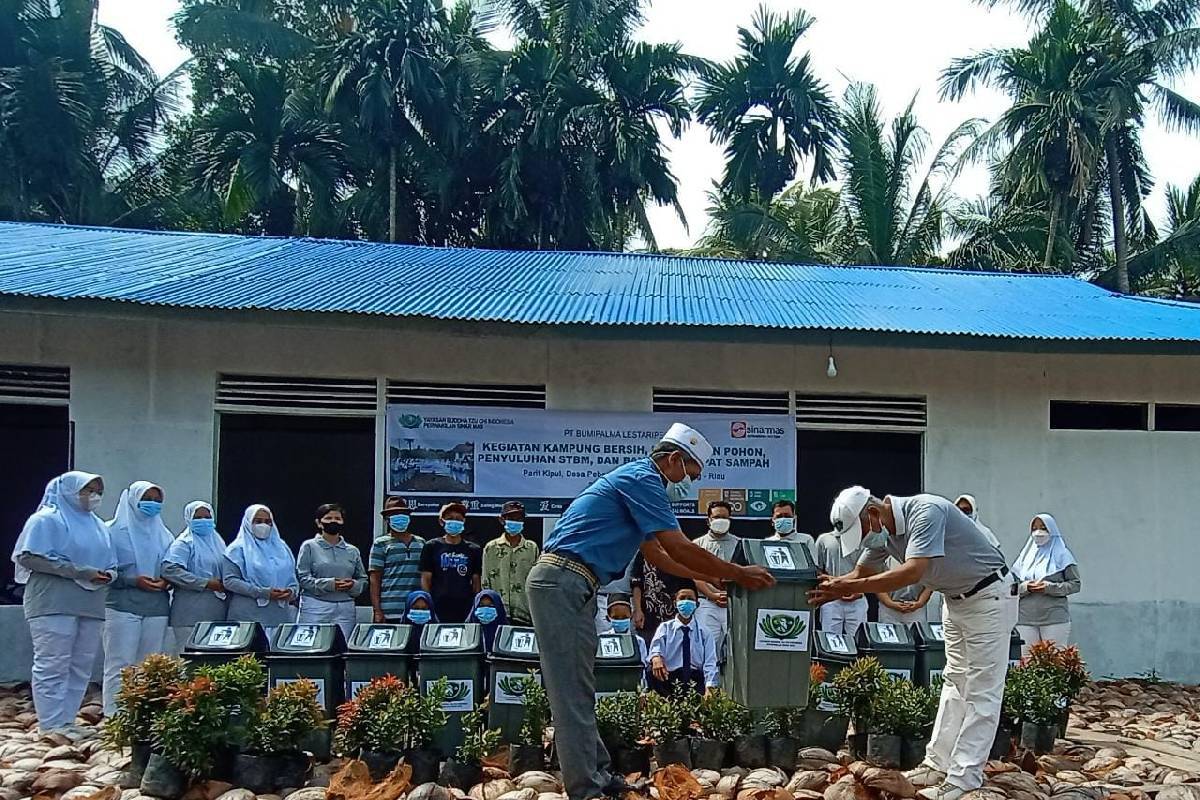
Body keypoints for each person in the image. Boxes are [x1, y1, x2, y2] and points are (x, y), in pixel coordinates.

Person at [526, 423, 773, 800]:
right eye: (690, 474)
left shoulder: (637, 484)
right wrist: (737, 572)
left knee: (581, 686)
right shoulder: (643, 479)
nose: (688, 483)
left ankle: (598, 774)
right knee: (570, 692)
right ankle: (586, 789)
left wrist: (712, 579)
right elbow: (677, 545)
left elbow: (659, 556)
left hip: (574, 583)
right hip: (563, 582)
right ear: (673, 460)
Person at [809, 487, 1015, 800]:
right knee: (955, 681)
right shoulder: (881, 531)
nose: (865, 538)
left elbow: (912, 571)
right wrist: (836, 588)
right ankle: (937, 763)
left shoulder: (926, 511)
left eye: (863, 531)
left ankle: (964, 777)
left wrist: (850, 585)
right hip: (955, 600)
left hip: (989, 597)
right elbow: (864, 570)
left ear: (874, 514)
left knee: (982, 689)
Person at [11, 472, 116, 732]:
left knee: (81, 665)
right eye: (86, 490)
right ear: (68, 491)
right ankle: (50, 723)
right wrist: (78, 571)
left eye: (96, 491)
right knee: (52, 662)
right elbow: (29, 556)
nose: (93, 496)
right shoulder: (46, 520)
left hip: (89, 602)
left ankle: (67, 719)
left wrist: (109, 574)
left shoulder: (98, 526)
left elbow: (110, 560)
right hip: (54, 601)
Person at [102, 481, 174, 716]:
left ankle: (142, 716)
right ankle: (115, 715)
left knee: (149, 665)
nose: (152, 504)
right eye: (147, 498)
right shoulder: (112, 531)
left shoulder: (164, 535)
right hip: (123, 606)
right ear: (133, 499)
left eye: (157, 500)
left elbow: (172, 567)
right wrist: (134, 580)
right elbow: (105, 570)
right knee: (120, 663)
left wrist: (167, 580)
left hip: (156, 607)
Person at [222, 504, 299, 638]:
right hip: (248, 617)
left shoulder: (282, 548)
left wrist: (291, 591)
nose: (263, 525)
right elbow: (230, 580)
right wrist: (262, 592)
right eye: (258, 521)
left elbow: (292, 577)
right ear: (248, 522)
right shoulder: (237, 549)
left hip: (279, 617)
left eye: (268, 522)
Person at [162, 501, 228, 652]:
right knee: (188, 660)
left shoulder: (218, 542)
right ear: (189, 519)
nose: (203, 521)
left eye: (207, 516)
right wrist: (205, 583)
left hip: (216, 611)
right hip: (189, 613)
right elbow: (169, 569)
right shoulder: (184, 543)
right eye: (198, 517)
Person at [1012, 514, 1080, 655]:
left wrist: (1049, 588)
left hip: (1054, 618)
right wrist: (1026, 587)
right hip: (1026, 619)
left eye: (1043, 528)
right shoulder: (1024, 557)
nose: (1038, 532)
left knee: (1054, 660)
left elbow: (1075, 584)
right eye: (1035, 528)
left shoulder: (1063, 555)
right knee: (1027, 661)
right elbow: (1011, 587)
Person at [297, 503, 367, 638]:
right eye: (328, 518)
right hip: (315, 606)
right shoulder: (309, 546)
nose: (333, 521)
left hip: (345, 607)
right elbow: (303, 578)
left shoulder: (352, 550)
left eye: (337, 518)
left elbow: (363, 579)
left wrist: (353, 585)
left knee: (343, 647)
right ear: (319, 523)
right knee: (311, 646)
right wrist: (330, 584)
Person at [647, 587, 719, 697]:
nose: (686, 601)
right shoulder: (665, 628)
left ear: (697, 604)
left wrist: (709, 687)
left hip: (695, 680)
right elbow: (656, 649)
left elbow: (710, 662)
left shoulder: (705, 632)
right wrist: (656, 658)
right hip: (668, 679)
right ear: (675, 603)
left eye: (690, 599)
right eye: (682, 598)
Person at [419, 502, 482, 623]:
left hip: (465, 606)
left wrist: (475, 605)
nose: (455, 522)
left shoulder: (473, 549)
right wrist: (428, 603)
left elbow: (476, 581)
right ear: (441, 522)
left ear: (464, 522)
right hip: (438, 605)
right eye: (450, 518)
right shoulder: (431, 546)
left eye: (458, 519)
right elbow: (426, 578)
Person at [691, 500, 738, 662]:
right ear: (708, 520)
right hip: (706, 604)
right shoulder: (697, 545)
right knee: (705, 648)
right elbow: (695, 574)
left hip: (734, 604)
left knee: (735, 648)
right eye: (717, 517)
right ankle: (708, 685)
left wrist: (728, 595)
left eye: (725, 517)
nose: (721, 521)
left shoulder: (740, 544)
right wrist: (712, 595)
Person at [369, 496, 426, 623]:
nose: (400, 517)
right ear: (387, 519)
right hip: (390, 610)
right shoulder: (380, 543)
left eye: (403, 514)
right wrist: (377, 610)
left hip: (416, 609)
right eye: (395, 514)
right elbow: (375, 579)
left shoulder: (421, 542)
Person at [482, 501, 539, 625]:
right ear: (502, 520)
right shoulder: (491, 547)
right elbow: (485, 581)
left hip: (525, 613)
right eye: (511, 518)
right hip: (497, 613)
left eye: (519, 519)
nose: (515, 522)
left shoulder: (531, 548)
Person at [814, 524, 867, 637]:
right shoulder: (824, 539)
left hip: (857, 599)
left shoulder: (863, 540)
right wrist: (829, 587)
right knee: (830, 640)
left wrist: (860, 591)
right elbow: (817, 570)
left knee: (858, 641)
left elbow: (869, 569)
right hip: (831, 601)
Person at [630, 547, 689, 644]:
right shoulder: (644, 553)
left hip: (673, 614)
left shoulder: (678, 553)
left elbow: (687, 583)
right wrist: (638, 610)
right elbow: (636, 584)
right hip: (648, 615)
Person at [876, 557, 934, 624]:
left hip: (916, 609)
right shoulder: (885, 554)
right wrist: (889, 603)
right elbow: (877, 582)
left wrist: (920, 603)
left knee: (916, 633)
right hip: (889, 609)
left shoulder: (924, 555)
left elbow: (931, 582)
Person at [600, 594, 648, 667]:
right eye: (616, 617)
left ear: (631, 616)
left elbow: (642, 667)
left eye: (624, 617)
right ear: (608, 617)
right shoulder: (602, 639)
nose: (620, 620)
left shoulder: (638, 641)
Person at [469, 589, 508, 653]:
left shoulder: (507, 635)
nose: (486, 609)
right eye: (481, 605)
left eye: (491, 606)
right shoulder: (465, 634)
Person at [403, 589, 437, 656]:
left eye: (424, 609)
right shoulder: (400, 636)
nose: (420, 612)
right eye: (416, 608)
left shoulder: (437, 635)